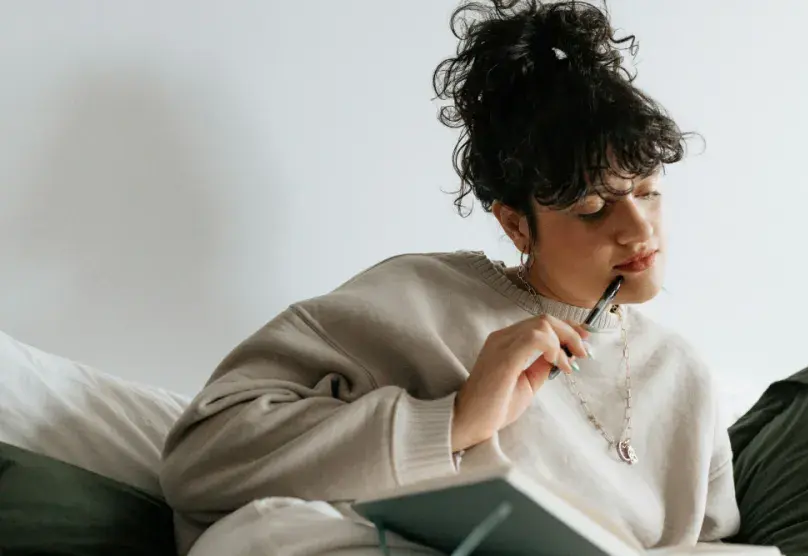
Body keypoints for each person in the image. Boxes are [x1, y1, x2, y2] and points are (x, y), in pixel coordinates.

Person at [158, 1, 741, 554]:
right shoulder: (411, 300)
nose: (640, 230)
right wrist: (453, 419)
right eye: (593, 208)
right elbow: (201, 459)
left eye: (649, 192)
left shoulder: (685, 375)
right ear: (516, 224)